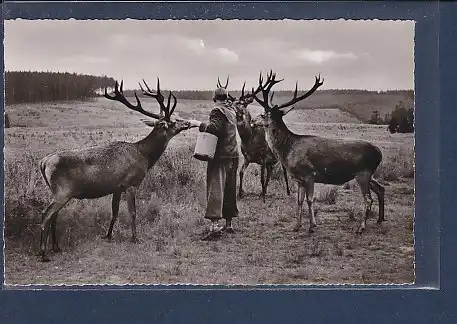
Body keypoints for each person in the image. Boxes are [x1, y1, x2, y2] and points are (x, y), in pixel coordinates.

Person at [199, 86, 239, 240]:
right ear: (226, 97)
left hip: (220, 156)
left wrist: (198, 124)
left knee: (216, 188)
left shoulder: (217, 111)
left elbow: (214, 129)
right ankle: (228, 224)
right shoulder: (232, 111)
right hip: (233, 155)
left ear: (214, 98)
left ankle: (215, 225)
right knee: (229, 189)